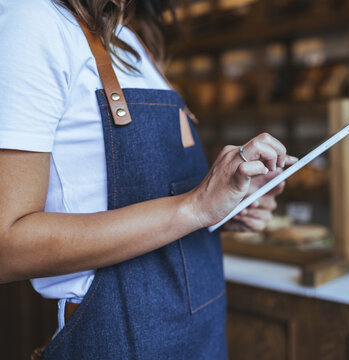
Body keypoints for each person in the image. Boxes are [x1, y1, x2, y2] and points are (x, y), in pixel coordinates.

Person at [0, 0, 296, 358]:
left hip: (201, 335)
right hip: (121, 341)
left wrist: (226, 205)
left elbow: (162, 200)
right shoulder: (30, 20)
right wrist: (195, 206)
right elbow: (7, 247)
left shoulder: (128, 40)